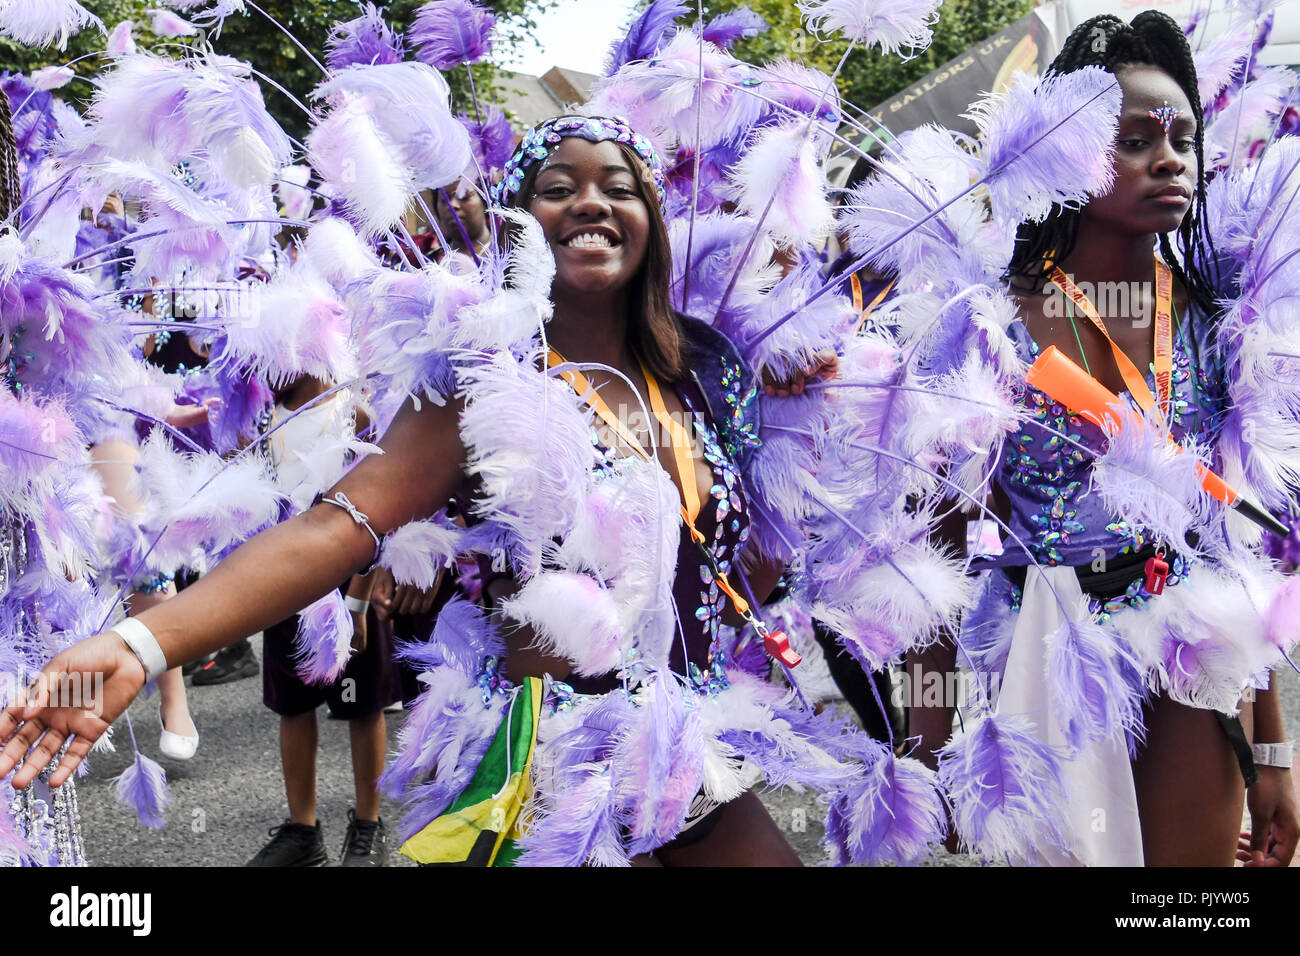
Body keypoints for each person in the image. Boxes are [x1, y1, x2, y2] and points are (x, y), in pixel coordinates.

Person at [0, 114, 887, 867]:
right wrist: (143, 644)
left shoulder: (706, 367)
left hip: (690, 744)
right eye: (555, 186)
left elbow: (744, 560)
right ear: (519, 219)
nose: (589, 201)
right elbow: (339, 525)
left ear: (649, 215)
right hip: (549, 765)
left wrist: (797, 417)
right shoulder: (484, 374)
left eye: (617, 185)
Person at [911, 11, 1298, 866]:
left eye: (1183, 137)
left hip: (1194, 656)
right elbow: (932, 552)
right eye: (1134, 139)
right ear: (1066, 154)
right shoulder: (988, 327)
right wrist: (924, 746)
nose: (1170, 158)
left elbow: (1238, 551)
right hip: (1051, 660)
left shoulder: (1211, 323)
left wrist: (1274, 755)